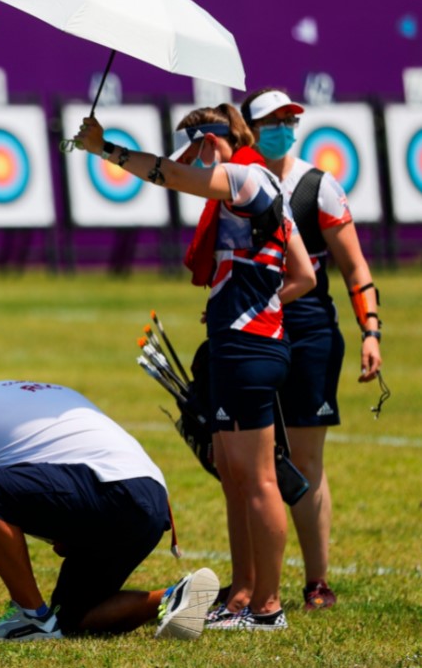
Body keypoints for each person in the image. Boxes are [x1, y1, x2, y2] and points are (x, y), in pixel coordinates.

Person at [73, 106, 317, 631]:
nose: (190, 161)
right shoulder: (264, 182)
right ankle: (244, 592)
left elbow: (173, 175)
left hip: (249, 348)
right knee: (234, 476)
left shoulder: (244, 176)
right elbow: (301, 274)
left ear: (209, 144)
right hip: (244, 343)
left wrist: (104, 148)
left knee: (257, 481)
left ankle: (267, 608)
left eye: (194, 150)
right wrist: (245, 296)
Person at [0, 375, 222, 641]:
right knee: (74, 618)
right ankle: (173, 597)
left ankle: (31, 617)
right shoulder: (34, 394)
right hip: (150, 499)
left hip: (111, 490)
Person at [240, 88, 383, 610]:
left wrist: (371, 331)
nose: (283, 126)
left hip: (308, 328)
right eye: (272, 120)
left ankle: (317, 581)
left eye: (290, 118)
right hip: (250, 325)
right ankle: (250, 585)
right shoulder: (236, 181)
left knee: (304, 459)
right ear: (250, 129)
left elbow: (355, 268)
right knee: (251, 461)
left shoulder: (318, 186)